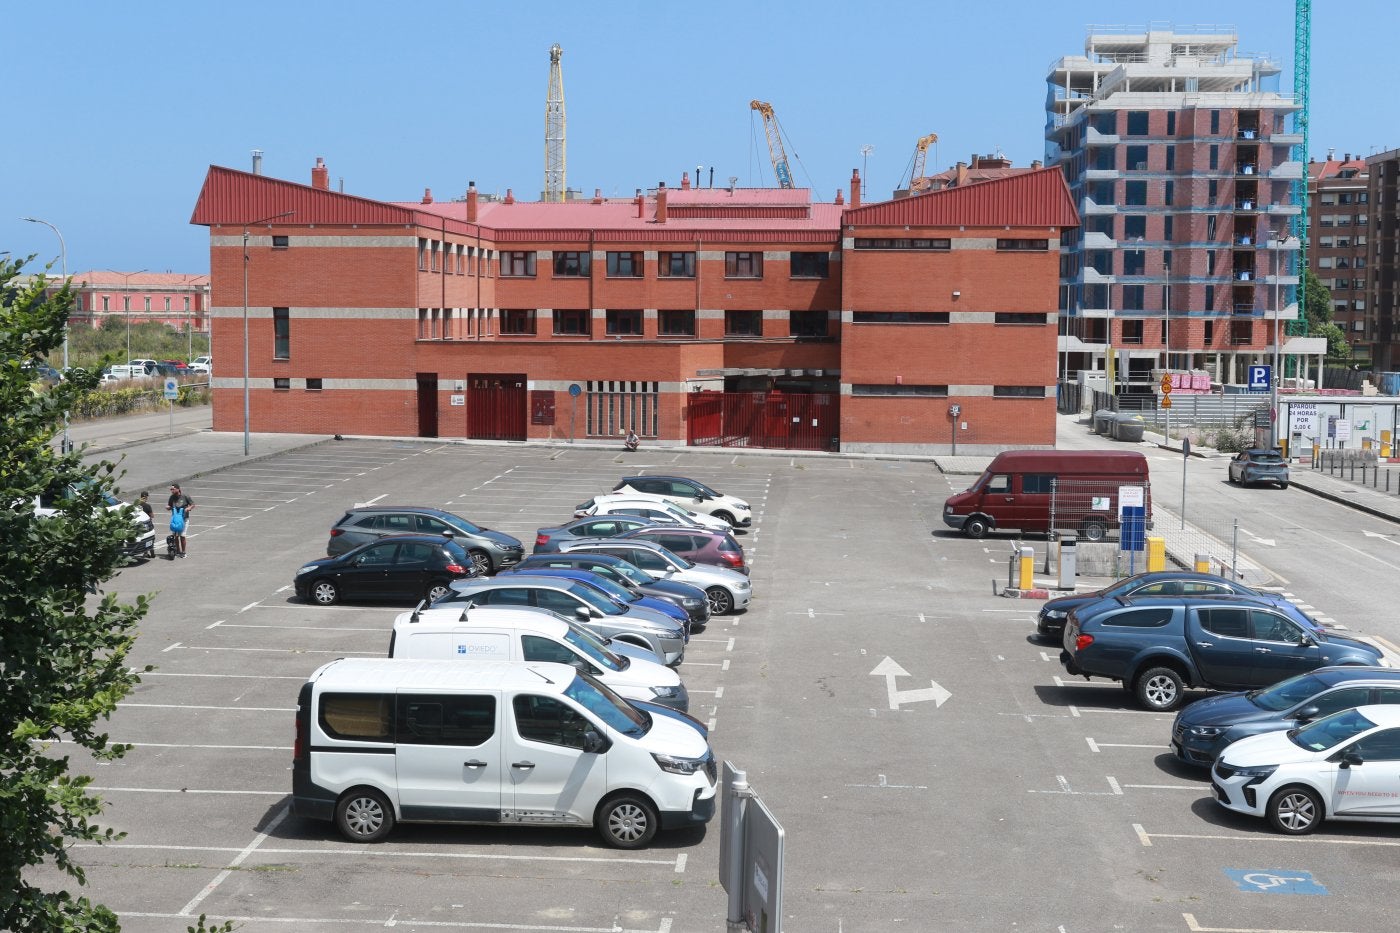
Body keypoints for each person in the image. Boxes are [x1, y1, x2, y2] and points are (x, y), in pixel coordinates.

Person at [167, 483, 195, 559]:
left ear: (178, 489)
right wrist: (168, 507)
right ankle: (177, 551)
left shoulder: (185, 496)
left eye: (173, 489)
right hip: (175, 519)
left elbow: (193, 504)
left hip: (184, 519)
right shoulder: (171, 497)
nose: (171, 490)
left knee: (182, 536)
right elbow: (170, 505)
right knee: (175, 536)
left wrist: (189, 508)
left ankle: (183, 552)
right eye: (171, 489)